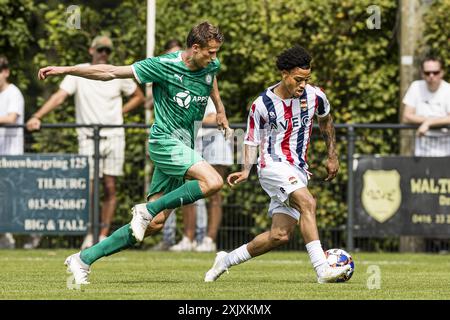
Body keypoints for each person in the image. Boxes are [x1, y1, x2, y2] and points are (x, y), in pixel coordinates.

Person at [38, 22, 231, 285]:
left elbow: (211, 80)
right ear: (195, 48)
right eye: (210, 52)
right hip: (165, 141)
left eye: (216, 52)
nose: (214, 58)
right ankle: (146, 209)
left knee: (155, 224)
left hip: (184, 145)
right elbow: (110, 72)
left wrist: (219, 109)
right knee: (213, 182)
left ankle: (83, 259)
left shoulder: (210, 65)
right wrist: (67, 69)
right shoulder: (164, 64)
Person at [204, 45, 351, 283]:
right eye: (298, 79)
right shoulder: (261, 104)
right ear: (284, 74)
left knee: (279, 235)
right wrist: (245, 170)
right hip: (272, 166)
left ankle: (226, 260)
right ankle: (322, 269)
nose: (303, 85)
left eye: (307, 79)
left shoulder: (315, 96)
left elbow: (326, 121)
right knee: (308, 202)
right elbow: (251, 140)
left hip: (298, 170)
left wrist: (332, 155)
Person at [27, 35, 145, 249]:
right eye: (100, 50)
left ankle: (103, 233)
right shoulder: (78, 71)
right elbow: (58, 97)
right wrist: (37, 116)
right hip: (89, 137)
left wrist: (119, 112)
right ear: (91, 50)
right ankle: (91, 232)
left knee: (110, 186)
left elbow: (139, 96)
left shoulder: (117, 72)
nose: (103, 54)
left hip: (114, 135)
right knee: (90, 188)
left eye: (107, 51)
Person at [402, 56, 450, 156]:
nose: (431, 76)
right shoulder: (415, 87)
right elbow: (406, 116)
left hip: (445, 147)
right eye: (427, 73)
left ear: (442, 72)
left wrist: (428, 123)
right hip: (422, 147)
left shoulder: (448, 90)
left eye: (435, 72)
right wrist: (430, 121)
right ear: (422, 73)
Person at [0, 55, 25, 249]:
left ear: (6, 72)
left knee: (15, 200)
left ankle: (32, 235)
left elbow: (11, 118)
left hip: (11, 156)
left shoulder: (13, 92)